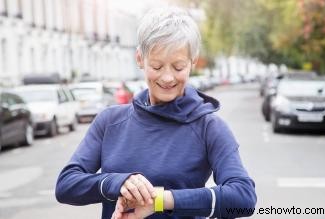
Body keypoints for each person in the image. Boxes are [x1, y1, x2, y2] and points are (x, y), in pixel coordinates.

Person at [55, 7, 256, 219]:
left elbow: (243, 199)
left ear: (193, 62)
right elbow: (66, 184)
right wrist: (117, 183)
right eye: (157, 66)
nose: (168, 77)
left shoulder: (209, 127)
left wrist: (160, 201)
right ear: (140, 59)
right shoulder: (109, 121)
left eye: (178, 67)